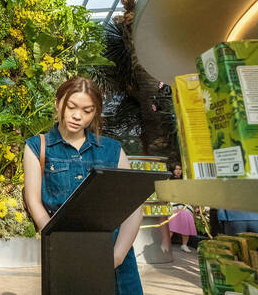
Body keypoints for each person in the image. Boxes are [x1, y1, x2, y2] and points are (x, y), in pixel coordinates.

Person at [23, 76, 143, 295]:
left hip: (114, 253)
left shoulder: (113, 150)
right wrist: (54, 244)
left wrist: (117, 256)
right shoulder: (36, 147)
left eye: (88, 111)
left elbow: (133, 207)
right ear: (58, 103)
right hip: (64, 252)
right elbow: (34, 201)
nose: (78, 116)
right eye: (71, 107)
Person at [163, 163, 197, 253]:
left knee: (186, 221)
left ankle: (184, 245)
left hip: (185, 205)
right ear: (173, 170)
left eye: (180, 169)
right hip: (173, 204)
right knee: (171, 225)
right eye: (176, 169)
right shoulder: (168, 181)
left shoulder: (185, 181)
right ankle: (165, 244)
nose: (178, 171)